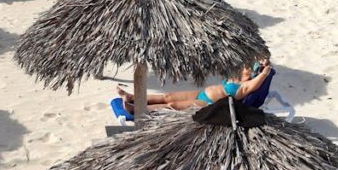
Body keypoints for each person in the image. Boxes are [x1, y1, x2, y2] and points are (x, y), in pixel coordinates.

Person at [117, 61, 272, 112]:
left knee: (171, 105)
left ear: (252, 72)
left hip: (208, 104)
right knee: (167, 96)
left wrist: (265, 70)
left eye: (249, 65)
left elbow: (264, 74)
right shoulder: (234, 77)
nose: (245, 65)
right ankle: (131, 97)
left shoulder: (245, 86)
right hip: (200, 93)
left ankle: (136, 110)